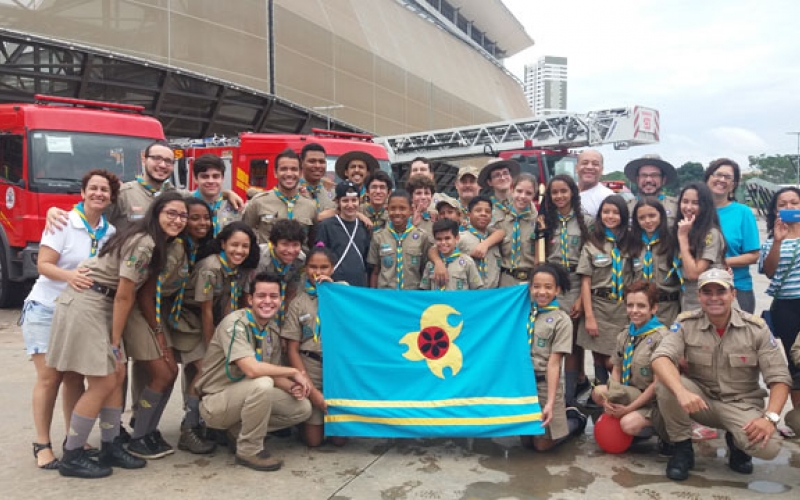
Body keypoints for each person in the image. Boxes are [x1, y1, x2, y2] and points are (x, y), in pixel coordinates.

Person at [46, 192, 190, 477]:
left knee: (118, 374)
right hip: (89, 302)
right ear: (156, 213)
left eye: (182, 215)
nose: (178, 220)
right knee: (104, 380)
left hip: (104, 304)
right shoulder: (145, 242)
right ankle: (72, 453)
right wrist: (115, 341)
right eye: (171, 213)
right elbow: (125, 295)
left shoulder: (158, 242)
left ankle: (111, 445)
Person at [651, 268, 791, 481]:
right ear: (699, 296)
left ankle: (736, 444)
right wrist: (681, 391)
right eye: (707, 292)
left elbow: (779, 377)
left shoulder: (756, 328)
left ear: (733, 295)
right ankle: (682, 449)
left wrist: (770, 418)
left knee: (769, 448)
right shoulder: (686, 323)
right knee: (666, 385)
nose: (714, 298)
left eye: (721, 291)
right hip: (702, 400)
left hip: (740, 404)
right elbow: (661, 357)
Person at [21, 170, 120, 470]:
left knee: (75, 376)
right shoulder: (63, 221)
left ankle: (72, 440)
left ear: (111, 197)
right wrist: (70, 276)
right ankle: (42, 444)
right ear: (83, 192)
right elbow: (43, 264)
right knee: (50, 378)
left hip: (80, 313)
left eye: (105, 190)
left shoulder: (110, 232)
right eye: (94, 188)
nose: (99, 193)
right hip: (46, 308)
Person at [195, 273, 313, 472]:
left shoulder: (271, 329)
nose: (268, 301)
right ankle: (249, 450)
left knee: (302, 408)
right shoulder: (235, 324)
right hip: (216, 402)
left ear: (281, 299)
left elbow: (274, 374)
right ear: (250, 299)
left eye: (274, 296)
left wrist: (294, 388)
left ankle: (238, 432)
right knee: (262, 384)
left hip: (247, 395)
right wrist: (294, 371)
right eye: (261, 296)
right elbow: (252, 369)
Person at [137, 198, 216, 455]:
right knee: (167, 373)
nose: (201, 223)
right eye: (194, 217)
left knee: (198, 370)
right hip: (156, 314)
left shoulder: (198, 247)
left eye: (206, 217)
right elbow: (148, 293)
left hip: (180, 315)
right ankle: (144, 432)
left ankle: (181, 426)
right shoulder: (173, 248)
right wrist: (158, 332)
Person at [591, 281, 667, 445]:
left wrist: (628, 409)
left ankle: (661, 430)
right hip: (632, 392)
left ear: (653, 308)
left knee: (628, 424)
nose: (634, 311)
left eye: (641, 306)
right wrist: (612, 399)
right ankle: (628, 419)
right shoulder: (626, 334)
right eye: (630, 305)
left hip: (654, 400)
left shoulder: (661, 337)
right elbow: (617, 368)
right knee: (598, 392)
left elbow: (657, 385)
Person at [521, 263, 587, 451]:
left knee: (541, 446)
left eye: (548, 287)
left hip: (545, 384)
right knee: (526, 443)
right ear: (530, 287)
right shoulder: (524, 313)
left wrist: (550, 402)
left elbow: (554, 364)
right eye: (537, 286)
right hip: (525, 385)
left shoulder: (561, 320)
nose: (542, 292)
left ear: (557, 290)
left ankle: (574, 421)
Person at [281, 247, 343, 447]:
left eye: (324, 267)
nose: (318, 272)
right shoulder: (298, 302)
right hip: (310, 364)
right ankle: (305, 421)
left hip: (337, 367)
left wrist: (334, 293)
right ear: (305, 269)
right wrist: (310, 387)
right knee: (314, 442)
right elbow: (292, 348)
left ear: (333, 268)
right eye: (313, 267)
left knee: (340, 440)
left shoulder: (344, 293)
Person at [539, 174, 592, 406]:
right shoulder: (544, 220)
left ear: (572, 193)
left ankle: (569, 398)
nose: (559, 196)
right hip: (551, 283)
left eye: (564, 191)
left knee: (570, 344)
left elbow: (590, 260)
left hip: (575, 281)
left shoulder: (586, 221)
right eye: (554, 192)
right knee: (549, 339)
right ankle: (549, 393)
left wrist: (581, 298)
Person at [577, 195, 636, 386]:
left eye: (615, 212)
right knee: (598, 356)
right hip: (599, 306)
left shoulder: (631, 243)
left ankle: (620, 391)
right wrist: (589, 316)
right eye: (606, 212)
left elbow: (636, 277)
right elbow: (586, 281)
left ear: (623, 215)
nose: (610, 216)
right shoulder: (592, 244)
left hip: (622, 308)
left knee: (616, 358)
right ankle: (600, 395)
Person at [759, 187, 800, 425]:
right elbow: (770, 271)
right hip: (786, 307)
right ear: (775, 210)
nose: (789, 208)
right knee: (795, 362)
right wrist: (777, 240)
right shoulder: (772, 240)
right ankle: (797, 417)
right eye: (783, 204)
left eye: (794, 203)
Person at [705, 158, 760, 313]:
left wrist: (718, 263)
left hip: (737, 288)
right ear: (708, 177)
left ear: (734, 185)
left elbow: (753, 256)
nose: (721, 180)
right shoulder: (694, 210)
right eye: (718, 175)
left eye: (728, 177)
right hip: (701, 288)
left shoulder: (743, 213)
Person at [242, 148, 316, 250]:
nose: (289, 174)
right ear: (275, 173)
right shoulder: (259, 202)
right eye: (284, 169)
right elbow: (244, 234)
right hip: (268, 264)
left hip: (299, 264)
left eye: (294, 169)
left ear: (300, 173)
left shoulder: (310, 206)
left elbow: (313, 242)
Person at [674, 182, 726, 312]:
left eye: (695, 203)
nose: (688, 207)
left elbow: (694, 273)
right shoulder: (681, 228)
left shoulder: (711, 233)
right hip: (687, 300)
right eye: (685, 201)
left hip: (709, 304)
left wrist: (682, 238)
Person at [630, 199, 682, 326]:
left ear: (661, 216)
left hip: (668, 308)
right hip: (641, 310)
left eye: (652, 215)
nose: (647, 221)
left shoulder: (673, 242)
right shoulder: (632, 243)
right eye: (642, 218)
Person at [368, 190, 432, 290]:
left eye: (402, 208)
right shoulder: (379, 236)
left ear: (411, 210)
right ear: (387, 209)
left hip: (411, 295)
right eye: (392, 208)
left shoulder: (421, 237)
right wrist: (374, 295)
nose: (397, 213)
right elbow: (375, 271)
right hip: (386, 295)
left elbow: (424, 269)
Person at [249, 219, 307, 326]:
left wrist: (286, 320)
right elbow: (249, 293)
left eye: (295, 245)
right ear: (273, 244)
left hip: (278, 302)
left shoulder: (300, 260)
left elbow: (292, 291)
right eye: (284, 244)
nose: (290, 250)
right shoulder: (259, 257)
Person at [316, 181, 370, 287]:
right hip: (334, 285)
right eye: (345, 201)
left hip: (359, 286)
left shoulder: (364, 226)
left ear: (359, 201)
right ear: (338, 202)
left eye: (354, 200)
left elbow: (366, 259)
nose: (350, 205)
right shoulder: (327, 225)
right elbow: (320, 256)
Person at [495, 173, 539, 287]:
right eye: (519, 191)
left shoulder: (539, 221)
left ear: (534, 195)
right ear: (511, 190)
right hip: (506, 279)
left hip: (531, 280)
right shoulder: (500, 220)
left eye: (528, 193)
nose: (523, 196)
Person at [420, 219, 483, 291]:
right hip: (437, 302)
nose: (443, 242)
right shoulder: (430, 264)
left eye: (447, 238)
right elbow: (424, 292)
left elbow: (477, 290)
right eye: (439, 239)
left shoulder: (467, 263)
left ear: (457, 238)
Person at [458, 195, 504, 289]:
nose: (483, 214)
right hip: (470, 294)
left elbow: (502, 232)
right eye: (478, 210)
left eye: (488, 211)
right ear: (469, 214)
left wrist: (485, 244)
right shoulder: (460, 238)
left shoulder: (494, 239)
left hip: (493, 293)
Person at [192, 153, 241, 237]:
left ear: (222, 178)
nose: (211, 181)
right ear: (195, 179)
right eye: (205, 176)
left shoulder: (235, 205)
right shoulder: (185, 203)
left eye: (215, 176)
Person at [623, 154, 679, 226]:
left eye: (654, 175)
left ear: (663, 179)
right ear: (637, 179)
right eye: (644, 175)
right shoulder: (625, 208)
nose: (648, 180)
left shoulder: (675, 207)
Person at [477, 159, 519, 223]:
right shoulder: (486, 207)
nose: (502, 178)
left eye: (505, 173)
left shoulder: (522, 200)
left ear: (511, 177)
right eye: (497, 175)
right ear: (489, 182)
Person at [298, 143, 336, 213]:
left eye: (321, 162)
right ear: (301, 163)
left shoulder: (333, 192)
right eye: (312, 161)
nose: (318, 166)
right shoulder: (292, 191)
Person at [576, 149, 613, 218]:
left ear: (602, 170)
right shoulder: (566, 191)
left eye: (595, 164)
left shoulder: (608, 197)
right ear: (576, 168)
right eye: (585, 163)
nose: (589, 167)